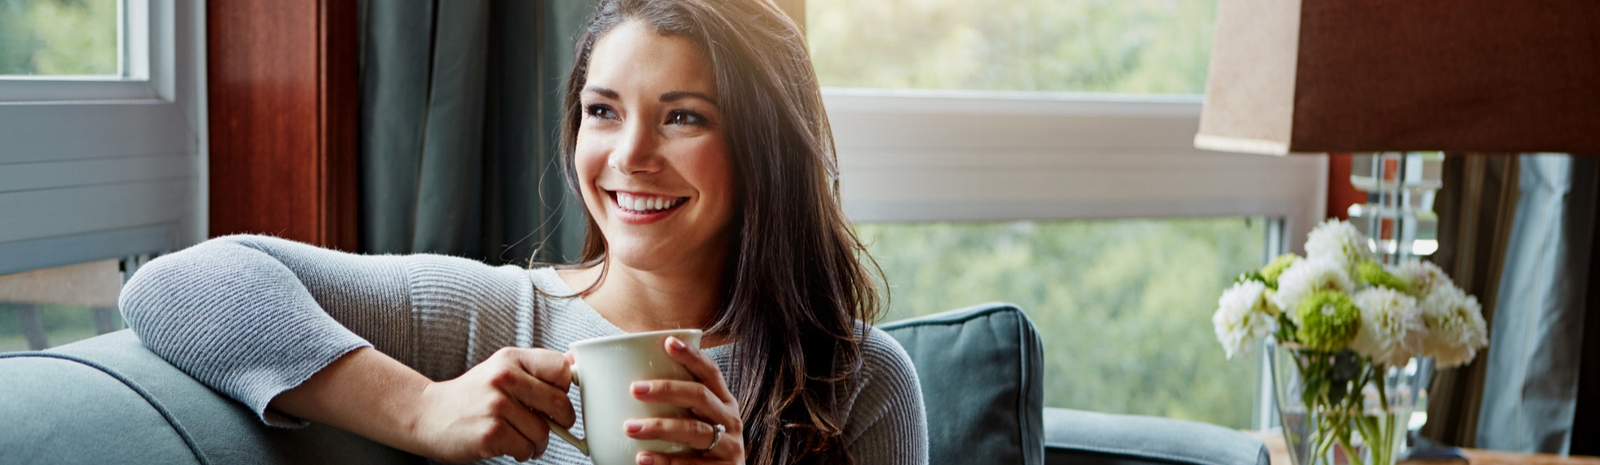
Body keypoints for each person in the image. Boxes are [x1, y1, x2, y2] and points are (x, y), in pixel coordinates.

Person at [119, 0, 927, 464]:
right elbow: (175, 286)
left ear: (765, 151)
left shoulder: (858, 381)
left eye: (683, 117)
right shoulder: (494, 318)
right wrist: (424, 410)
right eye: (602, 111)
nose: (629, 155)